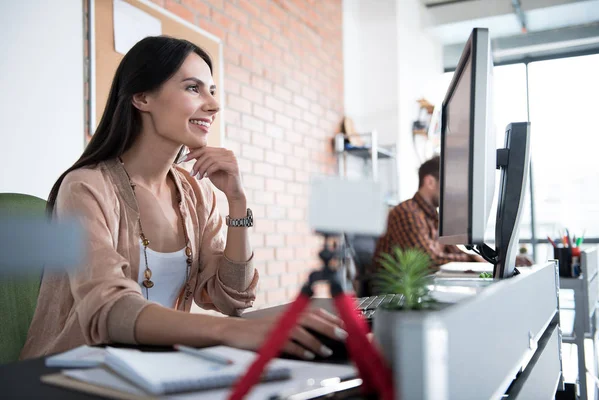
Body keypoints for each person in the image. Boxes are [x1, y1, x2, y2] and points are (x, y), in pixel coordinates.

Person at [20, 36, 345, 361]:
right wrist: (230, 332)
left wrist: (237, 201)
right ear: (142, 96)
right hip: (74, 372)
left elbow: (233, 299)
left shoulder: (197, 194)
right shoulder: (85, 188)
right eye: (194, 88)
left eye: (212, 91)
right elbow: (107, 310)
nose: (213, 105)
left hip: (158, 368)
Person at [372, 156, 532, 274]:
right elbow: (429, 261)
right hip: (392, 292)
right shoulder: (407, 212)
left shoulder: (433, 215)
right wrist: (473, 259)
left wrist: (496, 261)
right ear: (430, 182)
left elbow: (453, 252)